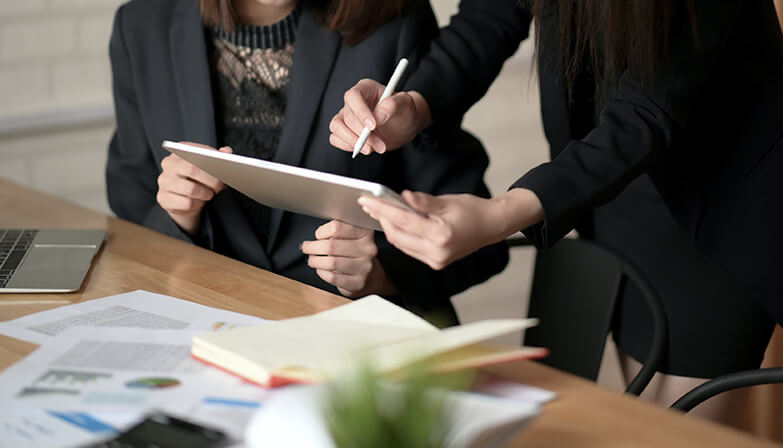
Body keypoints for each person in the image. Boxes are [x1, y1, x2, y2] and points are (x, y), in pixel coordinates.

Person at [329, 0, 783, 423]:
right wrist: (415, 106)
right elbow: (491, 14)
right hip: (604, 188)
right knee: (641, 413)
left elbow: (645, 114)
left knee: (676, 429)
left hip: (719, 213)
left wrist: (498, 216)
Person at [105, 0, 508, 322]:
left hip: (350, 341)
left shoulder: (392, 17)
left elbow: (472, 234)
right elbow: (131, 212)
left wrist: (381, 274)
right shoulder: (141, 26)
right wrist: (178, 214)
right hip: (204, 326)